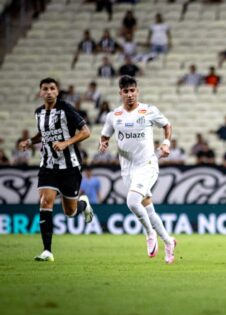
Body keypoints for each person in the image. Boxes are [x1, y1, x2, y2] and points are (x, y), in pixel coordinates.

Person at [99, 75, 176, 264]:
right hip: (127, 169)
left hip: (147, 165)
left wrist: (166, 143)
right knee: (148, 209)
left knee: (133, 202)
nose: (130, 94)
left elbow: (167, 125)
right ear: (120, 93)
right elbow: (105, 135)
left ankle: (150, 234)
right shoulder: (113, 116)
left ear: (137, 91)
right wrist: (103, 144)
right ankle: (168, 241)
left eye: (132, 90)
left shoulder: (148, 111)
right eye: (126, 91)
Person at [18, 77, 94, 262]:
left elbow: (86, 131)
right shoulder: (38, 113)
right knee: (45, 201)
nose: (49, 91)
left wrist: (66, 143)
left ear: (57, 91)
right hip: (48, 166)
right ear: (41, 92)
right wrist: (30, 141)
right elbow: (43, 135)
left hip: (69, 167)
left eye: (52, 88)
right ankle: (47, 251)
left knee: (70, 212)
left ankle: (83, 204)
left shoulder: (66, 108)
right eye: (45, 88)